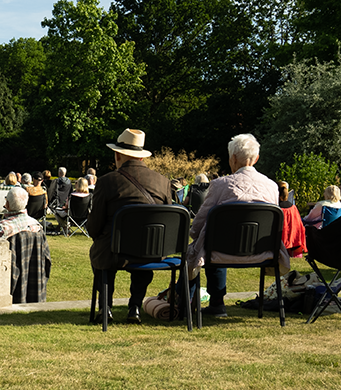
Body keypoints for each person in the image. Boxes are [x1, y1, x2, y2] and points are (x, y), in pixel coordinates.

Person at [184, 133, 289, 317]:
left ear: (232, 158)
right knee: (215, 240)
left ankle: (200, 302)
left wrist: (195, 234)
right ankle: (215, 303)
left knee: (209, 242)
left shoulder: (219, 185)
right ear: (256, 158)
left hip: (219, 252)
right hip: (263, 252)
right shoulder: (272, 186)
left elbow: (198, 225)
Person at [86, 128, 170, 325]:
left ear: (117, 155)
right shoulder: (163, 182)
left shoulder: (107, 181)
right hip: (152, 250)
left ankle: (105, 307)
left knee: (101, 254)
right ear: (141, 157)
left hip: (115, 251)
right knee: (142, 250)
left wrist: (97, 235)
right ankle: (135, 307)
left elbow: (94, 226)